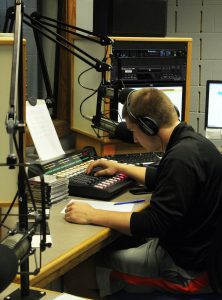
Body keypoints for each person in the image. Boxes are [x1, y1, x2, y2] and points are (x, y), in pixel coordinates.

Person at [64, 87, 222, 299]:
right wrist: (120, 167)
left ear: (149, 126)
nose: (136, 139)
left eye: (134, 131)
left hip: (187, 272)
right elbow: (163, 178)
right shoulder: (194, 145)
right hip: (202, 255)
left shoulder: (180, 159)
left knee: (81, 267)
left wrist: (92, 214)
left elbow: (155, 223)